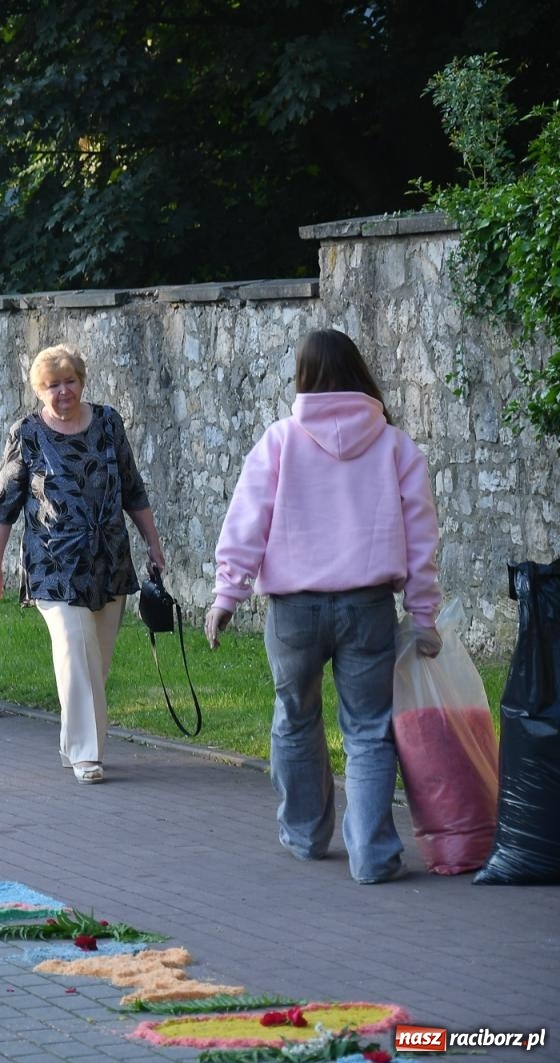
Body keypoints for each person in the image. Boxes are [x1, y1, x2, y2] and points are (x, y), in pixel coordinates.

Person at [206, 328, 442, 884]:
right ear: (361, 373)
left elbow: (246, 523)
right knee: (368, 730)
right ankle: (374, 856)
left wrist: (227, 595)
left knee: (295, 717)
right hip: (368, 607)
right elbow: (422, 539)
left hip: (293, 610)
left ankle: (307, 836)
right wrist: (424, 615)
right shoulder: (396, 446)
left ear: (303, 376)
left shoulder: (280, 441)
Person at [0, 345, 164, 785]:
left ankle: (74, 742)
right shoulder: (26, 432)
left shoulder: (107, 422)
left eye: (69, 382)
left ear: (81, 381)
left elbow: (133, 488)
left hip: (109, 559)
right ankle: (87, 755)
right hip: (54, 565)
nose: (62, 392)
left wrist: (153, 546)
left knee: (94, 663)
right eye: (51, 385)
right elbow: (4, 505)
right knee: (75, 651)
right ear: (39, 390)